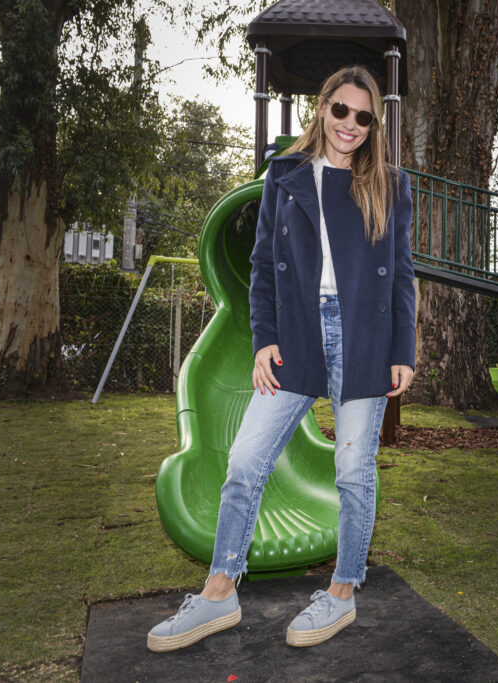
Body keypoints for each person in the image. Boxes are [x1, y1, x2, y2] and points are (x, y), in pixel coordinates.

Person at [147, 65, 416, 652]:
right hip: (295, 335)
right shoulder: (285, 174)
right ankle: (220, 592)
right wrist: (263, 338)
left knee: (352, 471)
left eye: (364, 117)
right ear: (322, 107)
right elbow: (263, 265)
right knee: (245, 460)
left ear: (374, 126)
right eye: (341, 109)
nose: (350, 124)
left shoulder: (389, 185)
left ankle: (342, 592)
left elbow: (401, 275)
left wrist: (403, 350)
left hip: (364, 339)